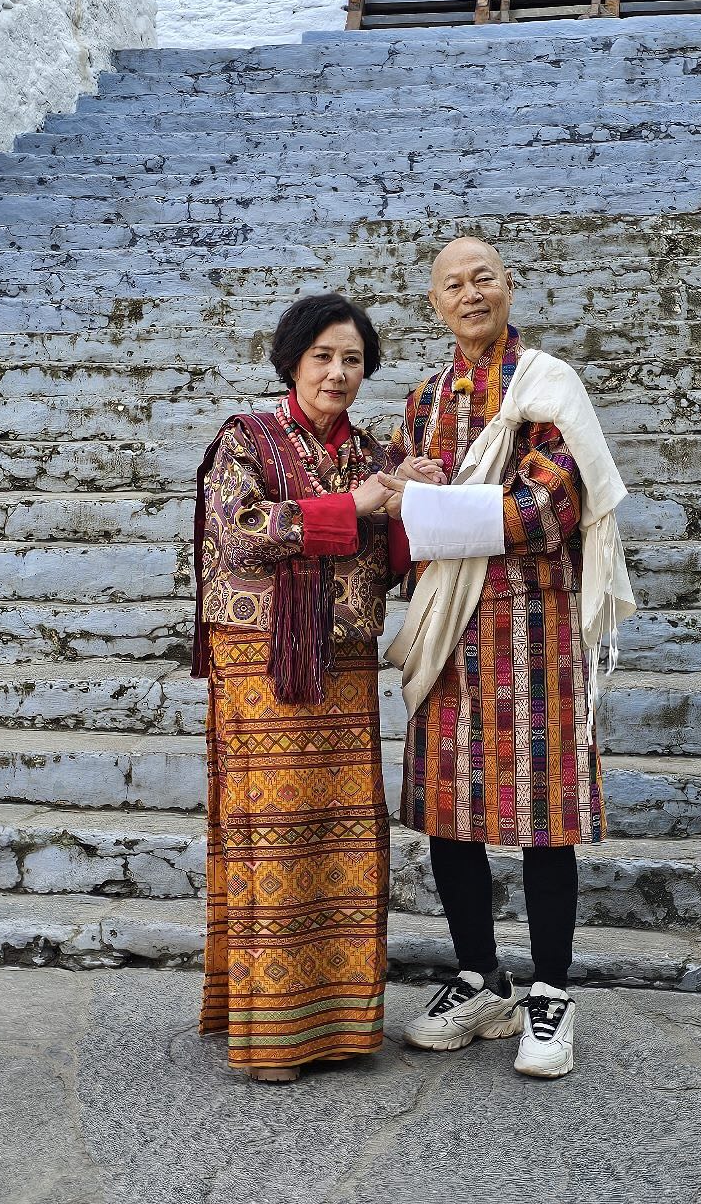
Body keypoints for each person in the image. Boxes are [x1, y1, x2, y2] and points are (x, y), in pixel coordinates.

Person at [379, 238, 636, 1081]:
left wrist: (429, 505)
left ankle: (552, 991)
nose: (470, 292)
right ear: (435, 303)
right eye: (453, 284)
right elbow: (395, 508)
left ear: (509, 286)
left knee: (543, 814)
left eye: (483, 277)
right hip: (448, 634)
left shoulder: (547, 386)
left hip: (536, 634)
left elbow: (547, 509)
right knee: (451, 811)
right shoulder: (421, 400)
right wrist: (406, 499)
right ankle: (479, 978)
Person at [193, 292, 433, 1083]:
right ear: (292, 360)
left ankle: (338, 1027)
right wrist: (353, 505)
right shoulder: (246, 438)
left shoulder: (372, 453)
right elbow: (240, 531)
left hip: (343, 663)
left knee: (343, 831)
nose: (338, 372)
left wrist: (412, 500)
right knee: (277, 831)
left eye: (353, 359)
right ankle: (273, 1037)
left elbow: (392, 562)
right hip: (261, 659)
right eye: (324, 356)